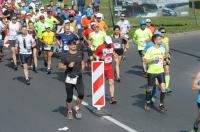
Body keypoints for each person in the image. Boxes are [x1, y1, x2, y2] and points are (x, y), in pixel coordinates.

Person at [59, 40, 85, 120]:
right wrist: (67, 66)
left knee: (81, 94)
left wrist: (83, 67)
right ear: (68, 46)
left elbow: (82, 61)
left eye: (75, 44)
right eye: (72, 44)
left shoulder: (80, 53)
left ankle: (77, 107)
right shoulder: (65, 55)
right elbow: (60, 66)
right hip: (69, 77)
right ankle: (69, 111)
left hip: (78, 77)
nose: (74, 46)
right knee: (69, 97)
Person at [143, 34, 167, 112]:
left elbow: (164, 58)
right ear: (155, 41)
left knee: (163, 88)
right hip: (152, 71)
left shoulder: (162, 49)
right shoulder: (150, 50)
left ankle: (161, 104)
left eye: (161, 39)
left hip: (160, 71)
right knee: (150, 88)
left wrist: (166, 61)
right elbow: (145, 61)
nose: (161, 40)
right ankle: (147, 101)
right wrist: (152, 60)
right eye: (159, 39)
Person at [93, 36, 117, 104]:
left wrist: (114, 55)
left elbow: (113, 53)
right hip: (101, 67)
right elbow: (94, 55)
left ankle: (112, 98)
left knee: (111, 82)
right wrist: (100, 57)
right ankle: (98, 96)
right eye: (108, 43)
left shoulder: (112, 46)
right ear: (105, 42)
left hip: (109, 67)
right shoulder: (100, 47)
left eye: (110, 43)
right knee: (100, 83)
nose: (109, 44)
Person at [159, 27, 171, 94]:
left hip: (166, 56)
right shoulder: (157, 40)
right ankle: (160, 85)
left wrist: (167, 56)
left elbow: (168, 48)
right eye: (162, 32)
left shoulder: (167, 39)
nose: (163, 33)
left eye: (164, 32)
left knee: (167, 71)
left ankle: (166, 87)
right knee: (160, 72)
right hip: (159, 57)